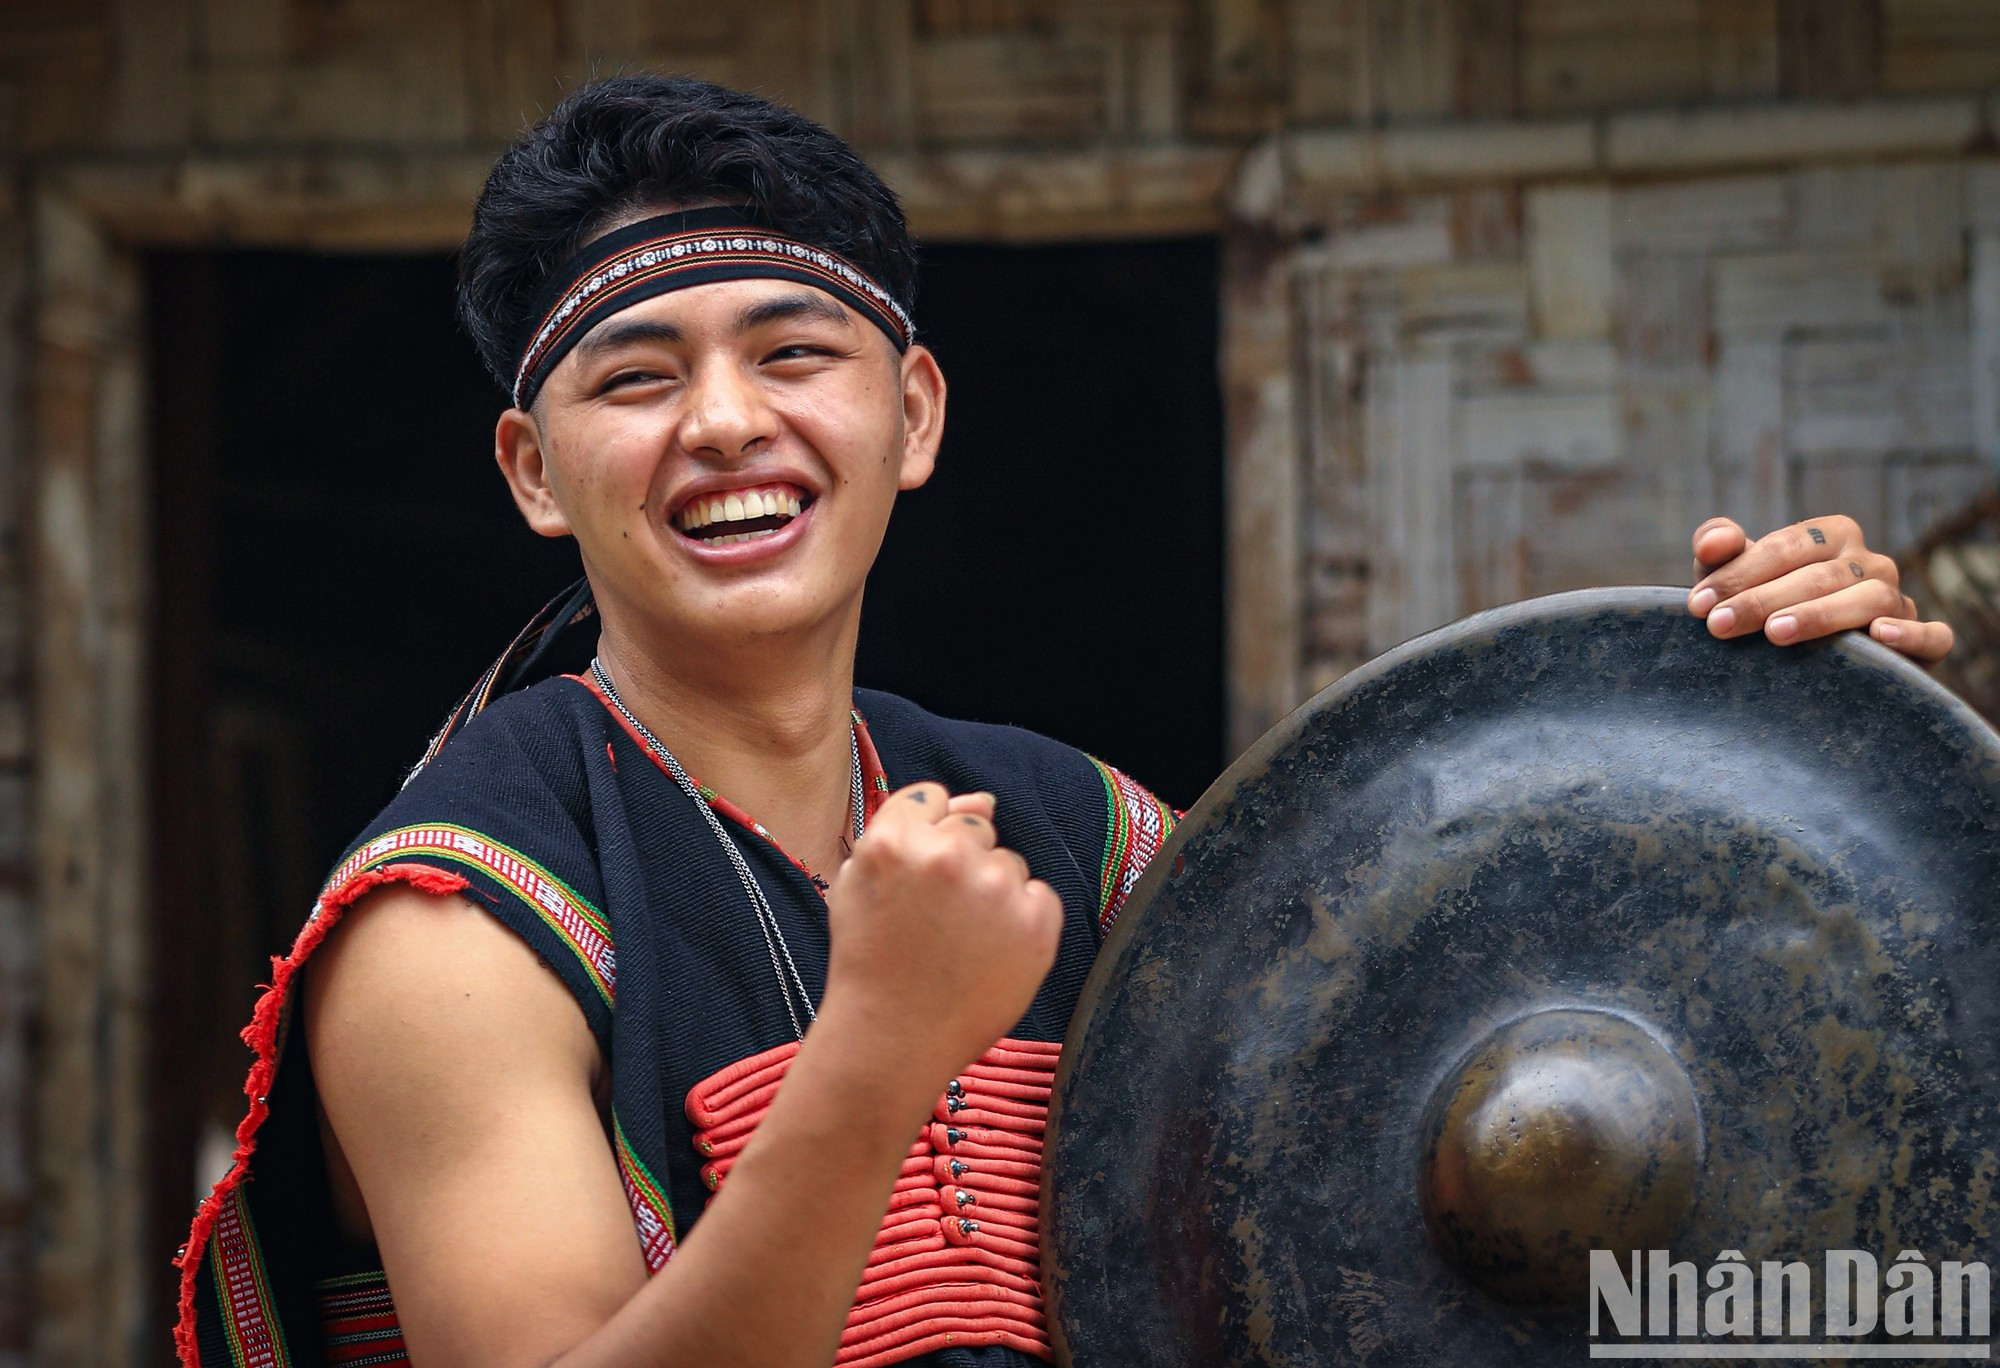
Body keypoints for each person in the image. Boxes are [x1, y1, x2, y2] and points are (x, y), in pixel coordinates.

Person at [173, 74, 1956, 1368]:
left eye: (793, 354)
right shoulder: (457, 922)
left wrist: (1784, 740)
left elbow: (1507, 1092)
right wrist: (879, 1055)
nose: (722, 425)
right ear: (531, 470)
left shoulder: (1082, 832)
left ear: (913, 416)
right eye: (636, 379)